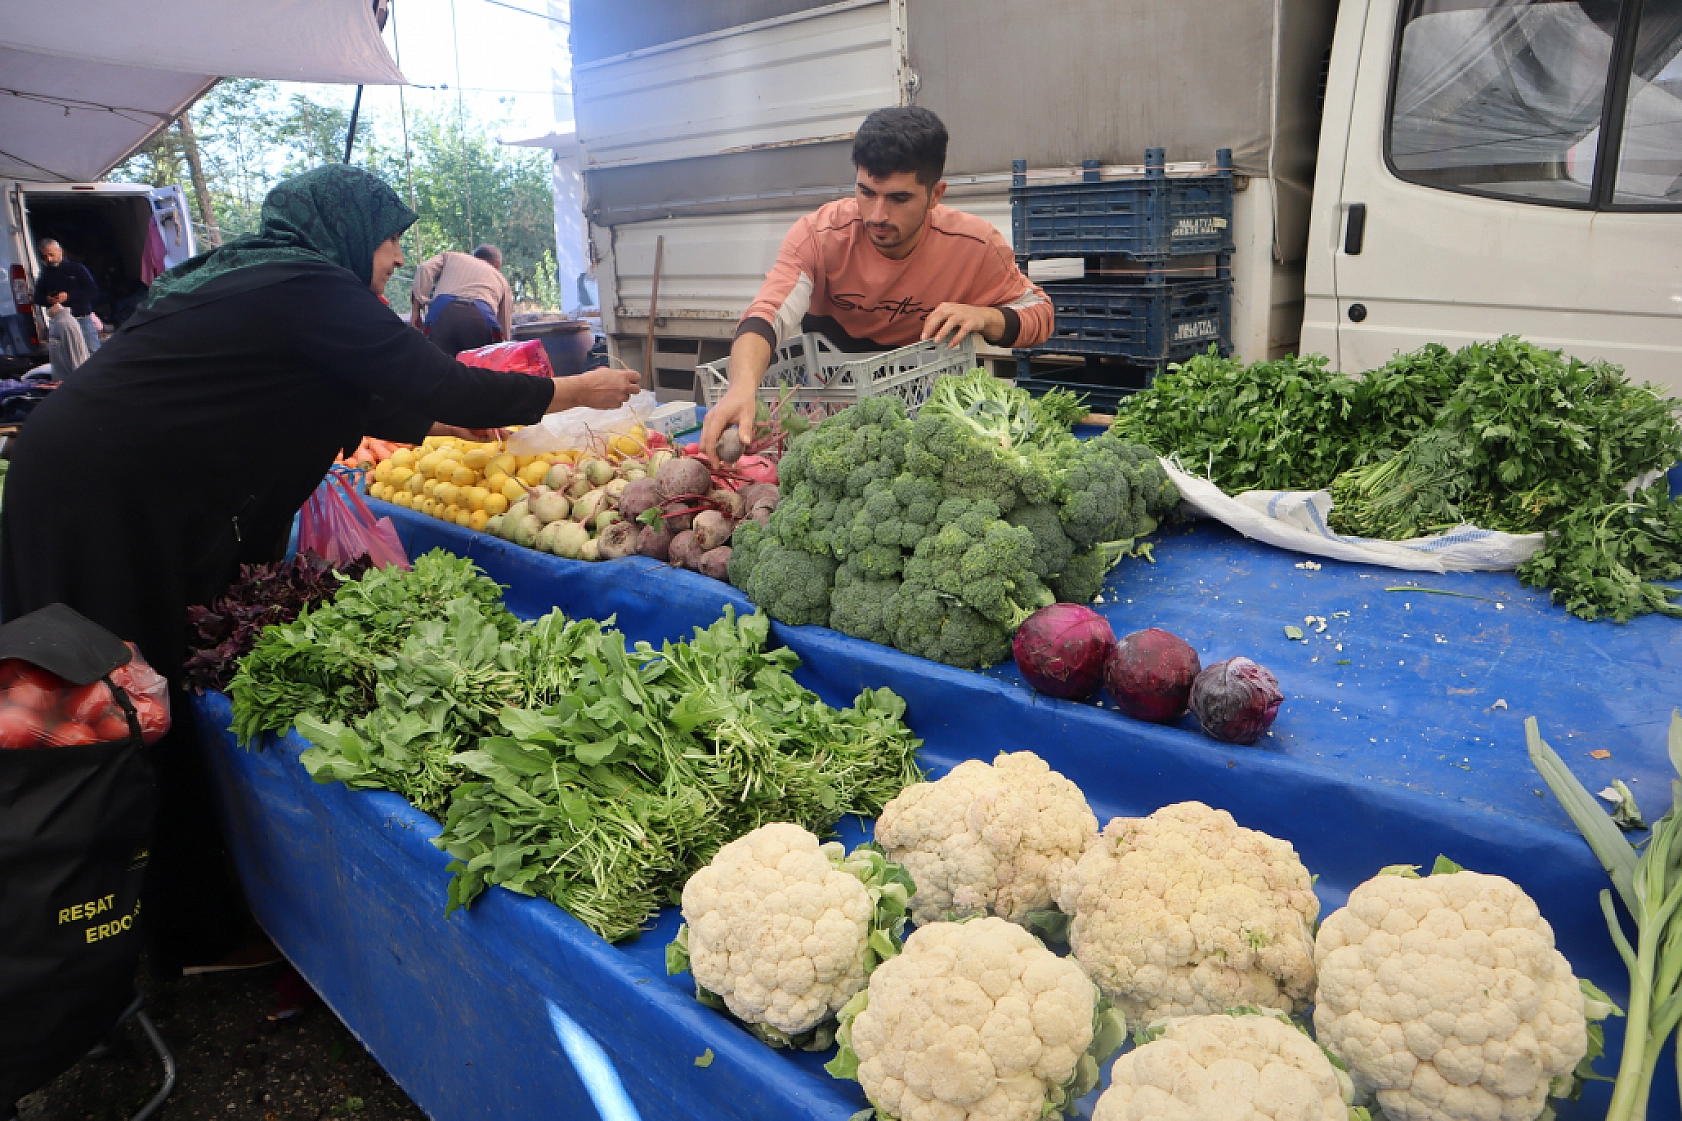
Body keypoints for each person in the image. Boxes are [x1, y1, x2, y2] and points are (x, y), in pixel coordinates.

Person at [0, 165, 640, 979]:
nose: (397, 258)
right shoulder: (304, 282)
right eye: (391, 238)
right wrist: (575, 388)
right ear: (346, 226)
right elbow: (437, 379)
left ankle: (136, 920)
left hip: (89, 479)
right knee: (121, 694)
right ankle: (161, 932)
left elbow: (377, 406)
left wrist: (463, 426)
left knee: (124, 688)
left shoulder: (262, 278)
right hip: (105, 500)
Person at [700, 106, 1054, 459]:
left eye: (899, 198)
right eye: (866, 192)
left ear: (935, 195)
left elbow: (1040, 314)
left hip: (924, 419)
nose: (878, 215)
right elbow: (767, 314)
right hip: (828, 415)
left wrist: (986, 317)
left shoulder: (975, 245)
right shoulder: (818, 236)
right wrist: (741, 387)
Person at [410, 244, 515, 357]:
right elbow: (504, 324)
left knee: (438, 367)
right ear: (497, 265)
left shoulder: (451, 256)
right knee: (478, 369)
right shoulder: (501, 280)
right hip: (480, 316)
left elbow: (424, 268)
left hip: (442, 312)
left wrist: (416, 310)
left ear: (473, 257)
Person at [32, 239, 101, 357]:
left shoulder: (77, 269)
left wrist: (69, 296)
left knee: (93, 352)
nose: (48, 259)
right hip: (60, 322)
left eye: (51, 255)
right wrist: (48, 299)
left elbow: (92, 290)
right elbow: (37, 297)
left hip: (81, 318)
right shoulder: (46, 273)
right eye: (45, 256)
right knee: (69, 356)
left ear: (60, 251)